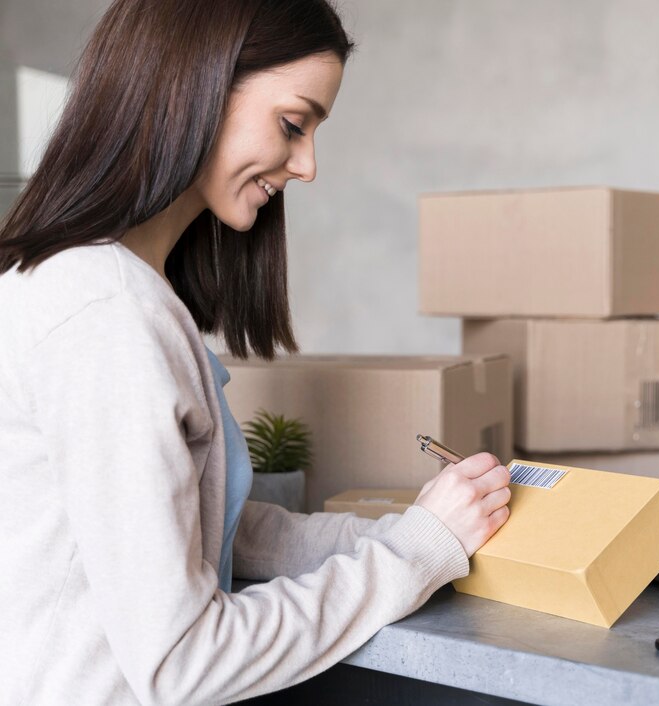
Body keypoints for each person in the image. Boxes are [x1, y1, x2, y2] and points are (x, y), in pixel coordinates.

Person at [0, 0, 512, 703]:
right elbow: (185, 663)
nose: (306, 165)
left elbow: (213, 531)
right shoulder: (105, 315)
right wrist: (416, 552)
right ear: (195, 85)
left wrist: (419, 530)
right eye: (292, 125)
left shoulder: (101, 287)